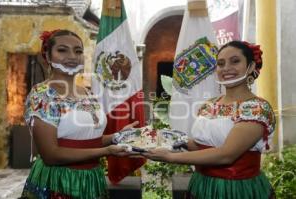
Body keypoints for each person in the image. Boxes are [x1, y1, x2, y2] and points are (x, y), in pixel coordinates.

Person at [143, 40, 276, 199]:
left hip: (236, 189)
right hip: (201, 184)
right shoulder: (210, 104)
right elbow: (201, 145)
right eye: (220, 63)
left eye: (235, 61)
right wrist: (167, 138)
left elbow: (226, 155)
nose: (226, 68)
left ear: (251, 66)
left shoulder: (256, 108)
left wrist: (170, 157)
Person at [20, 29, 137, 199]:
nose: (72, 56)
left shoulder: (87, 92)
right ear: (47, 55)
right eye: (62, 50)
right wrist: (106, 151)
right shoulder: (43, 95)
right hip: (59, 180)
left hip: (91, 179)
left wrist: (116, 137)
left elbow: (85, 140)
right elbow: (51, 155)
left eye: (78, 51)